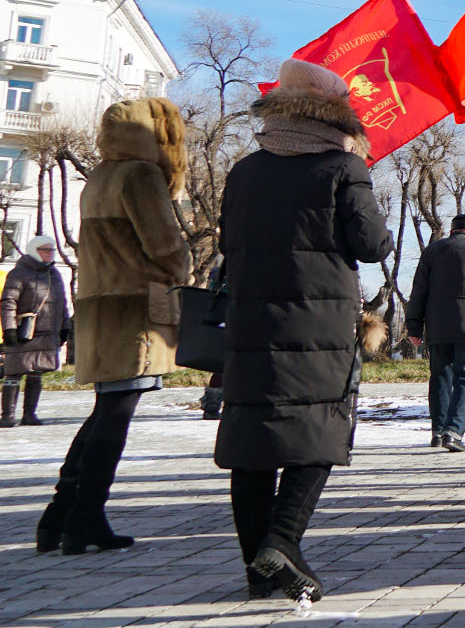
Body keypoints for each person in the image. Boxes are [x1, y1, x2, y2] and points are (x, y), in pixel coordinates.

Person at [218, 61, 392, 602]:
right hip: (318, 323)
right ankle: (282, 539)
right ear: (337, 113)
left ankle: (257, 571)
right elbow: (371, 245)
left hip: (250, 321)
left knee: (253, 442)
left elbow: (228, 245)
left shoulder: (244, 171)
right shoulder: (342, 167)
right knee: (318, 431)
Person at [35, 98, 191, 557]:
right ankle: (84, 518)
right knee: (115, 414)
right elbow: (162, 244)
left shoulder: (99, 176)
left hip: (100, 305)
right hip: (134, 308)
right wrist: (184, 267)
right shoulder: (141, 175)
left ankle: (60, 516)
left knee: (106, 409)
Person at [406, 213, 465, 454]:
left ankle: (438, 430)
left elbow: (418, 290)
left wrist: (414, 325)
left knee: (440, 377)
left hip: (437, 326)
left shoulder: (432, 251)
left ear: (453, 230)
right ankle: (454, 432)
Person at [3, 235, 68, 428]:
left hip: (48, 333)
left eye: (52, 250)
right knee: (14, 373)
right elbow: (8, 302)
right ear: (34, 251)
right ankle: (7, 415)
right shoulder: (19, 273)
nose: (50, 253)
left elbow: (62, 302)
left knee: (36, 373)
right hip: (24, 332)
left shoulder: (54, 273)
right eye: (46, 250)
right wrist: (9, 328)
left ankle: (30, 414)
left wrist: (66, 326)